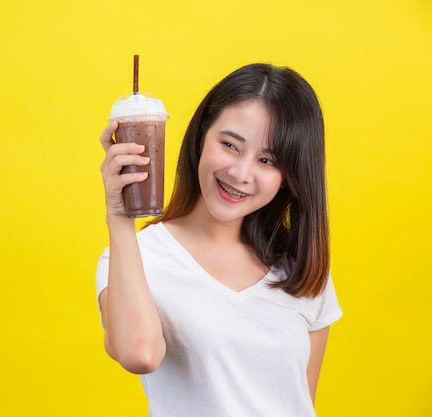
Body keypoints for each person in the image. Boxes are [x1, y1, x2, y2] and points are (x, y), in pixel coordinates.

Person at [95, 63, 342, 417]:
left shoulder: (300, 265)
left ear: (289, 176)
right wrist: (120, 218)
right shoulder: (136, 259)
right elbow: (140, 354)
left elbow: (302, 402)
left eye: (268, 160)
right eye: (229, 144)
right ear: (200, 138)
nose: (241, 174)